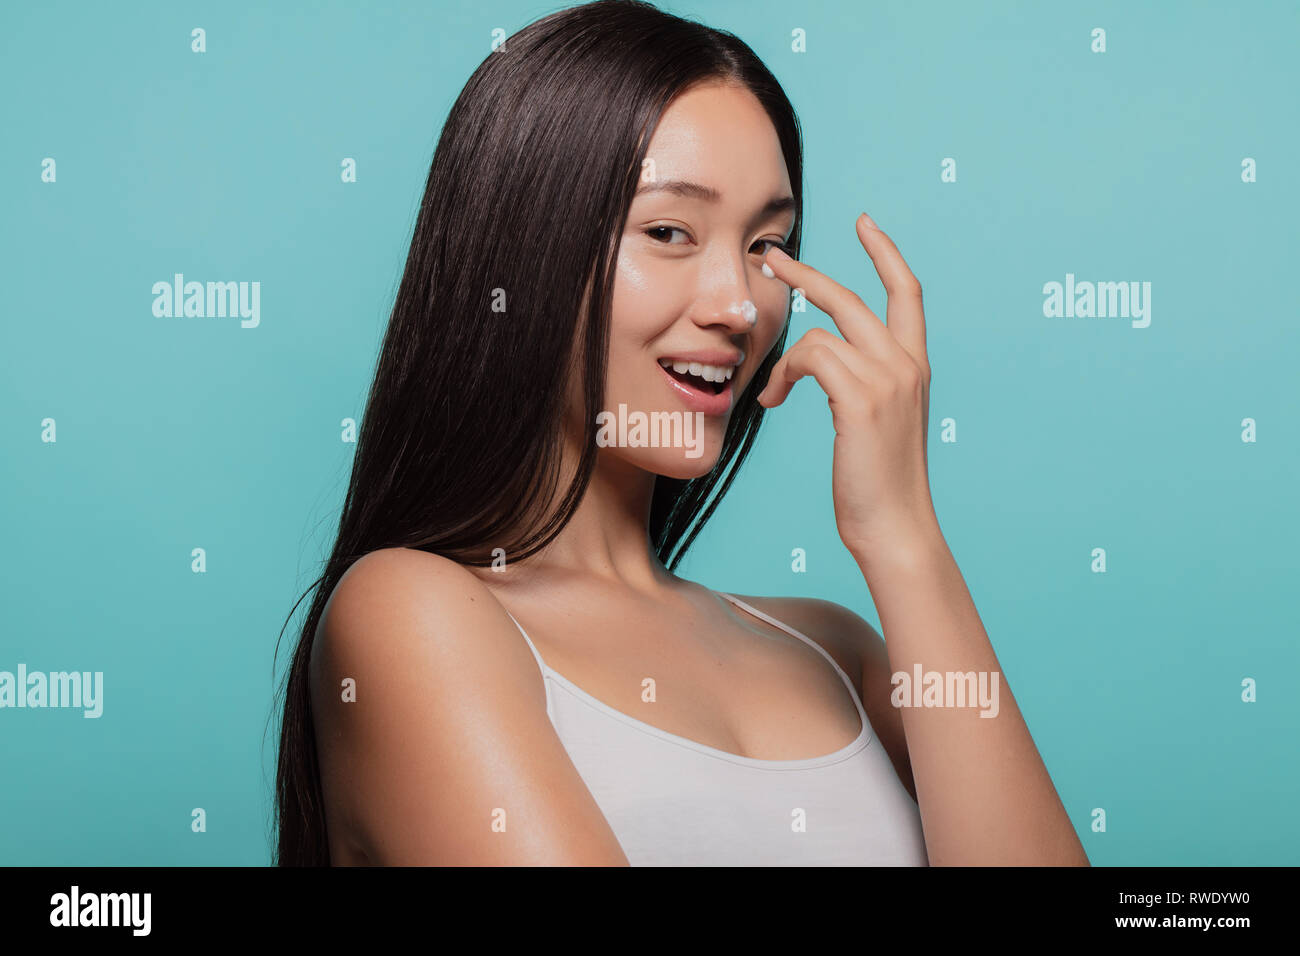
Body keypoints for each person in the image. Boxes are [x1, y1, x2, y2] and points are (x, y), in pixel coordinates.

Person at [272, 0, 1089, 866]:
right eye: (669, 231)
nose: (739, 305)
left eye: (767, 246)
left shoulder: (836, 651)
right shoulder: (410, 617)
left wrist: (903, 536)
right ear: (518, 255)